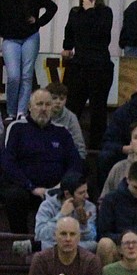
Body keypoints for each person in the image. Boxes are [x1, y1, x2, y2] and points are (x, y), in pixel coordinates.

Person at [0, 89, 84, 233]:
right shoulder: (16, 128)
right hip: (24, 187)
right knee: (14, 195)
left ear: (52, 108)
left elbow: (75, 163)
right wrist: (30, 187)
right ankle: (22, 240)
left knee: (76, 190)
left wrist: (61, 185)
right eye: (39, 104)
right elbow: (8, 163)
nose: (43, 109)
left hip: (56, 188)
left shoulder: (62, 132)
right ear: (29, 107)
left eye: (47, 105)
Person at [61, 0, 113, 152]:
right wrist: (67, 48)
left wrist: (91, 11)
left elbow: (101, 34)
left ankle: (96, 147)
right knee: (73, 107)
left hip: (100, 66)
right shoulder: (75, 12)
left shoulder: (105, 12)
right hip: (79, 65)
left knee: (98, 109)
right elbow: (69, 32)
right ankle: (69, 144)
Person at [0, 0, 56, 119]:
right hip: (10, 40)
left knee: (26, 76)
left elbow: (52, 7)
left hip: (30, 38)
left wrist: (38, 22)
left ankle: (22, 112)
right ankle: (11, 112)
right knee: (13, 76)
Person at [33, 173, 97, 252]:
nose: (87, 196)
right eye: (81, 193)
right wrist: (61, 215)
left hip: (77, 248)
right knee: (43, 244)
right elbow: (39, 236)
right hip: (54, 249)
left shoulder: (89, 207)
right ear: (67, 194)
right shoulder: (47, 206)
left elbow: (92, 238)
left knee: (93, 245)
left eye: (86, 191)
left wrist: (84, 224)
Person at [46, 83, 86, 158]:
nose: (58, 102)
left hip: (65, 159)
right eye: (54, 98)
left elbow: (79, 147)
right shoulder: (41, 115)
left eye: (62, 99)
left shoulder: (71, 118)